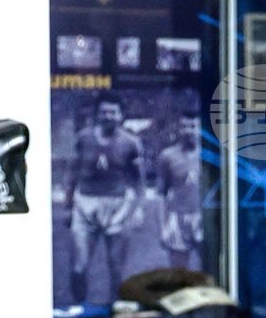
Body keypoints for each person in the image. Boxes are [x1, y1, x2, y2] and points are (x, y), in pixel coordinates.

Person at [64, 94, 144, 301]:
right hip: (85, 204)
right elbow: (72, 173)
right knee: (79, 266)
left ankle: (113, 311)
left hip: (117, 206)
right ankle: (79, 307)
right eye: (104, 112)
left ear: (121, 115)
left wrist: (137, 208)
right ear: (96, 114)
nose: (108, 116)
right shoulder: (83, 138)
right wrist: (68, 206)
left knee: (116, 268)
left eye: (113, 112)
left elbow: (138, 180)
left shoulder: (131, 143)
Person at [155, 112, 204, 271]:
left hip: (203, 218)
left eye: (193, 126)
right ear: (178, 129)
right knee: (179, 274)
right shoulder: (167, 156)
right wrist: (163, 227)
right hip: (178, 218)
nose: (188, 130)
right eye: (184, 126)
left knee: (212, 270)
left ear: (200, 128)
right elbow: (161, 194)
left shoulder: (210, 155)